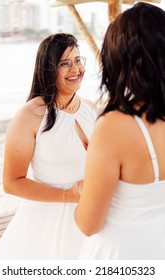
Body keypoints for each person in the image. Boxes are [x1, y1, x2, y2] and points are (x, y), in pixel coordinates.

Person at [0, 33, 98, 259]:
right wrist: (67, 196)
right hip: (47, 223)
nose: (76, 69)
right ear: (49, 68)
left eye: (78, 60)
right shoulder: (30, 115)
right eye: (65, 63)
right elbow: (12, 183)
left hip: (92, 216)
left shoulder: (92, 109)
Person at [74, 2, 165, 260]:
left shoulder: (114, 126)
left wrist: (84, 190)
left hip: (124, 256)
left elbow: (88, 224)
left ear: (117, 58)